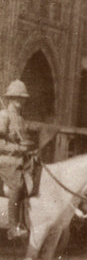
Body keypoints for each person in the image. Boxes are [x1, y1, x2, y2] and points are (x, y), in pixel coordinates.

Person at [0, 80, 30, 239]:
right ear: (10, 98)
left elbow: (23, 140)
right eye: (16, 98)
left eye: (22, 98)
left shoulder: (20, 119)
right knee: (17, 186)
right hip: (5, 160)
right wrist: (17, 149)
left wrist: (26, 146)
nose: (19, 101)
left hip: (19, 160)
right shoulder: (3, 116)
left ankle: (25, 222)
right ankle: (13, 227)